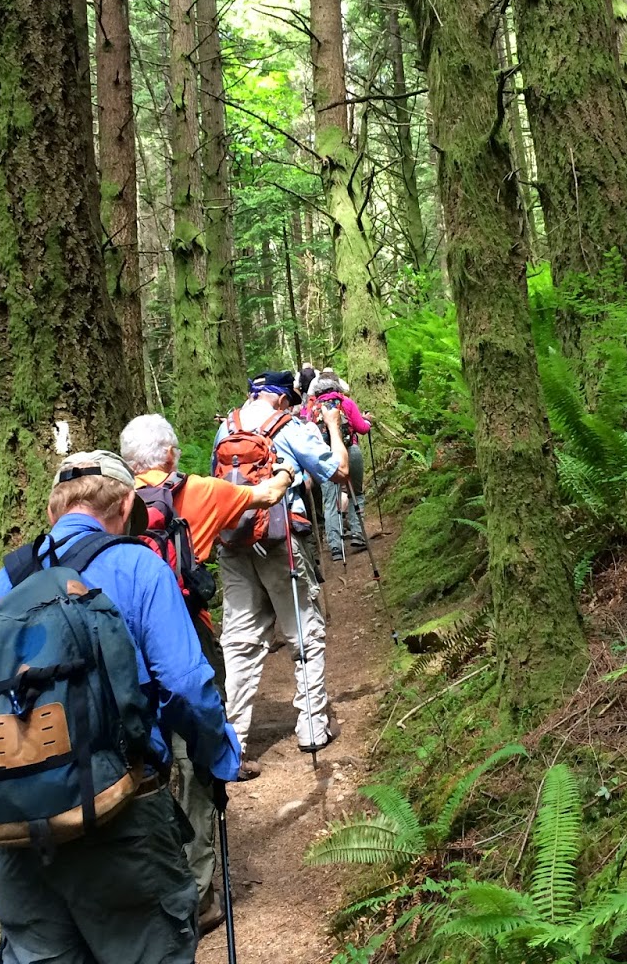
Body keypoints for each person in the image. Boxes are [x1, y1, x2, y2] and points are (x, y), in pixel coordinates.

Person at [0, 451, 241, 964]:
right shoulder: (139, 565)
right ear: (123, 505)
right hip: (121, 822)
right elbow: (185, 685)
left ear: (54, 513)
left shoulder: (2, 586)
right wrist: (218, 758)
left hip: (17, 838)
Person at [119, 413, 296, 932]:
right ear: (171, 454)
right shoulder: (198, 492)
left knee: (148, 768)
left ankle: (150, 888)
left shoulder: (116, 506)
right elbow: (264, 498)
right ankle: (198, 895)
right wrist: (285, 474)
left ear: (130, 463)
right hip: (185, 634)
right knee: (194, 763)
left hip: (125, 648)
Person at [214, 370, 348, 757]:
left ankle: (233, 741)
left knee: (239, 640)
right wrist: (333, 428)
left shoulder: (226, 428)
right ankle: (312, 726)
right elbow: (338, 472)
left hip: (233, 542)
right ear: (282, 399)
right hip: (279, 538)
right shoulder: (288, 426)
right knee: (304, 629)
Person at [303, 369, 373, 562]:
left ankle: (335, 546)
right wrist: (368, 422)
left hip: (324, 458)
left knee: (330, 500)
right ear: (337, 386)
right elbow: (361, 428)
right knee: (355, 493)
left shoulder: (313, 410)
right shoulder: (346, 403)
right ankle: (358, 535)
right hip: (351, 451)